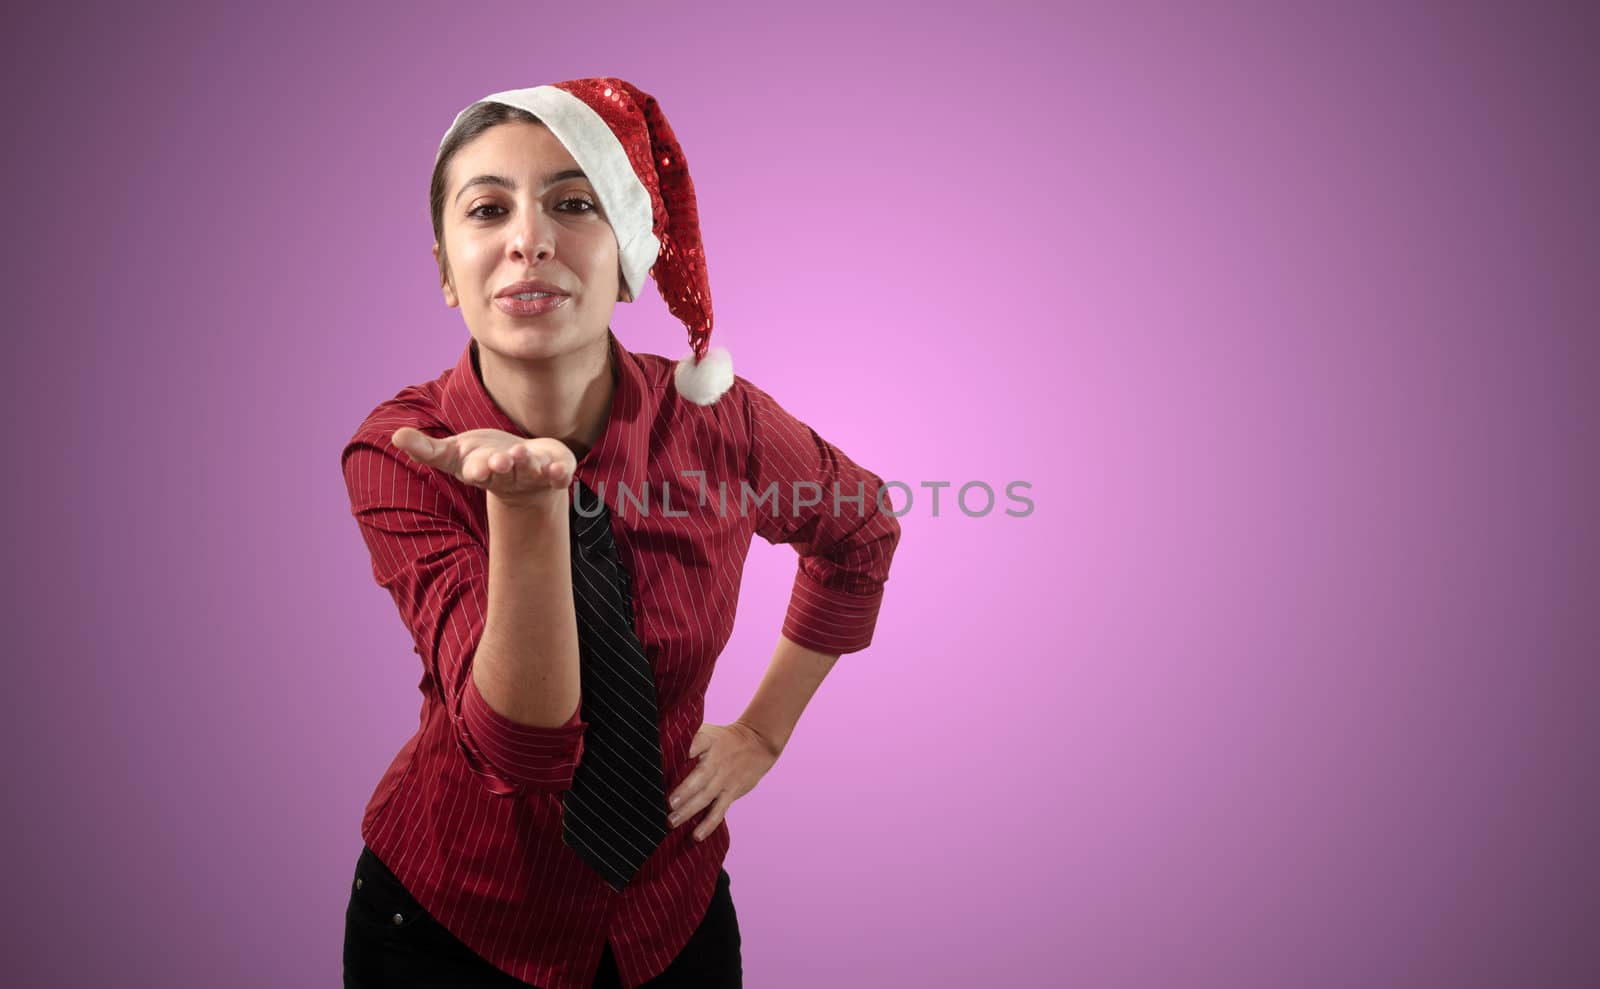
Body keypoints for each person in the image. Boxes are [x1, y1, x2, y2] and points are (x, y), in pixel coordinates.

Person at [338, 78, 902, 989]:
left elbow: (862, 531)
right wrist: (527, 512)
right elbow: (521, 750)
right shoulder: (403, 450)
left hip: (669, 916)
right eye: (489, 209)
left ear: (628, 254)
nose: (530, 238)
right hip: (452, 922)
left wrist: (763, 731)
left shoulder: (724, 426)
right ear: (447, 268)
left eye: (574, 203)